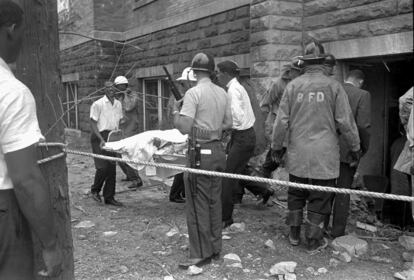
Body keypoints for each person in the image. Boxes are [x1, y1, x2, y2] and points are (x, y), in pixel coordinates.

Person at [271, 42, 361, 253]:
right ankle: (313, 240)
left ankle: (294, 234)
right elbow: (346, 122)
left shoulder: (293, 86)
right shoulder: (334, 87)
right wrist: (355, 147)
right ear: (323, 61)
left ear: (305, 62)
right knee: (321, 197)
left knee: (296, 192)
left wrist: (276, 147)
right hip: (325, 153)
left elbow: (281, 121)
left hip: (298, 152)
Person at [0, 1, 63, 278]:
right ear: (11, 30)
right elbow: (25, 179)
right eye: (23, 31)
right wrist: (50, 244)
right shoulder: (11, 91)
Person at [173, 53, 232, 268]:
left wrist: (175, 110)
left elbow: (184, 128)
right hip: (217, 151)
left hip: (199, 153)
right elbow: (228, 123)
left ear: (194, 71)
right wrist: (211, 131)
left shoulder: (193, 93)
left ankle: (199, 253)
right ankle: (215, 248)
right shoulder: (222, 92)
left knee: (197, 204)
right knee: (214, 202)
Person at [216, 60, 273, 228]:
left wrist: (219, 127)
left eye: (218, 73)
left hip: (242, 137)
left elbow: (237, 119)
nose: (217, 76)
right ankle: (262, 190)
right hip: (243, 136)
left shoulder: (233, 90)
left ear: (226, 74)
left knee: (228, 177)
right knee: (237, 172)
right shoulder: (237, 87)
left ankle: (225, 218)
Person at [326, 69, 371, 238]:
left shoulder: (332, 90)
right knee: (343, 191)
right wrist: (361, 150)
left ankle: (320, 227)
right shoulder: (363, 95)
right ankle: (337, 232)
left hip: (327, 148)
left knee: (325, 188)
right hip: (348, 150)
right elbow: (363, 126)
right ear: (360, 81)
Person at [260, 59, 302, 178]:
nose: (298, 74)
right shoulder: (279, 84)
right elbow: (265, 103)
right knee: (273, 160)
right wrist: (266, 125)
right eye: (296, 71)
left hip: (296, 128)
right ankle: (263, 188)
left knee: (294, 162)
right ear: (291, 70)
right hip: (280, 127)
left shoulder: (303, 84)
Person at [90, 81, 124, 206]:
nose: (111, 90)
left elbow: (119, 121)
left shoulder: (118, 104)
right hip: (99, 136)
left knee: (111, 168)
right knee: (102, 167)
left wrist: (119, 136)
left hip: (112, 136)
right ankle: (95, 190)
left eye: (113, 87)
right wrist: (100, 139)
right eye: (108, 88)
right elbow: (93, 123)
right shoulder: (97, 104)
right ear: (104, 89)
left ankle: (109, 197)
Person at [169, 67, 196, 203]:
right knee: (183, 166)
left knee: (186, 167)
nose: (181, 86)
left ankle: (182, 192)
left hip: (192, 136)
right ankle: (175, 194)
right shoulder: (182, 97)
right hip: (182, 134)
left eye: (183, 83)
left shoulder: (193, 96)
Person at [113, 75, 143, 190]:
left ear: (124, 86)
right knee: (118, 153)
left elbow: (129, 107)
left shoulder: (132, 95)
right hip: (121, 129)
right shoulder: (117, 97)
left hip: (131, 129)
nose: (117, 89)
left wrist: (126, 95)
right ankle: (129, 175)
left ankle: (136, 179)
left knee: (129, 154)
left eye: (120, 86)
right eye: (116, 87)